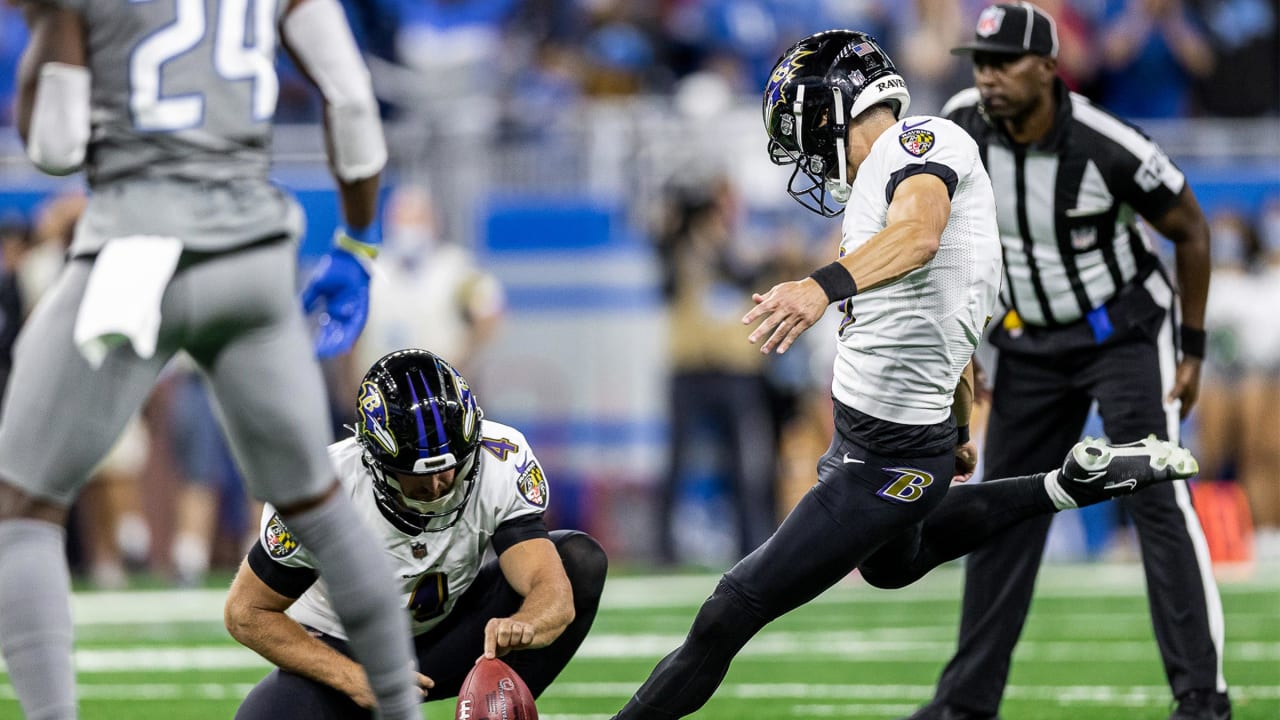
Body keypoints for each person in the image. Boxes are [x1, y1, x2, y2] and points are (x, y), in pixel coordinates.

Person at [611, 29, 1201, 719]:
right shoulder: (889, 174)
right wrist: (955, 425)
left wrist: (818, 287)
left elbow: (922, 235)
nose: (802, 152)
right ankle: (1065, 484)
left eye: (801, 128)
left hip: (881, 454)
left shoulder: (919, 142)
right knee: (894, 564)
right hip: (892, 437)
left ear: (831, 111)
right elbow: (941, 316)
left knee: (730, 608)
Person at [0, 1, 425, 718]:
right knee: (318, 504)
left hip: (134, 255)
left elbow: (55, 146)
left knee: (22, 507)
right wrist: (357, 241)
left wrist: (51, 29)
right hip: (253, 257)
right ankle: (403, 711)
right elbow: (352, 101)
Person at [903, 5, 1227, 720]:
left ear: (1049, 67)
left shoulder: (1104, 142)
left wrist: (1193, 348)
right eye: (980, 62)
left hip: (1124, 336)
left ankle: (1202, 700)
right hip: (1027, 343)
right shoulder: (958, 126)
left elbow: (1190, 229)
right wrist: (966, 344)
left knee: (1156, 500)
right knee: (1004, 512)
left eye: (1004, 63)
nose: (987, 77)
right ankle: (966, 703)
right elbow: (946, 244)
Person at [226, 349, 607, 719]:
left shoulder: (499, 461)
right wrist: (351, 678)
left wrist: (528, 622)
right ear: (376, 460)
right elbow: (247, 612)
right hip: (347, 648)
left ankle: (499, 710)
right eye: (420, 475)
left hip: (450, 635)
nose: (439, 484)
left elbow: (551, 589)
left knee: (578, 560)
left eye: (451, 467)